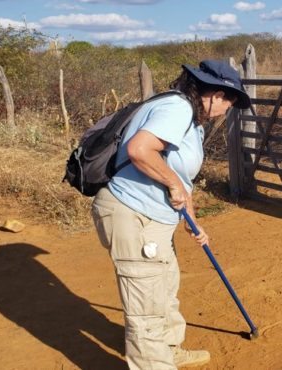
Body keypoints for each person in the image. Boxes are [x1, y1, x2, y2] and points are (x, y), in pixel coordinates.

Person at [91, 60, 251, 369]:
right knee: (147, 307)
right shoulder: (177, 109)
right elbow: (141, 150)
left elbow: (179, 177)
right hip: (133, 214)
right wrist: (174, 184)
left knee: (164, 289)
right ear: (216, 95)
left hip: (156, 219)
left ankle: (169, 350)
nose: (225, 111)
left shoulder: (191, 120)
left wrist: (193, 221)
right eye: (228, 103)